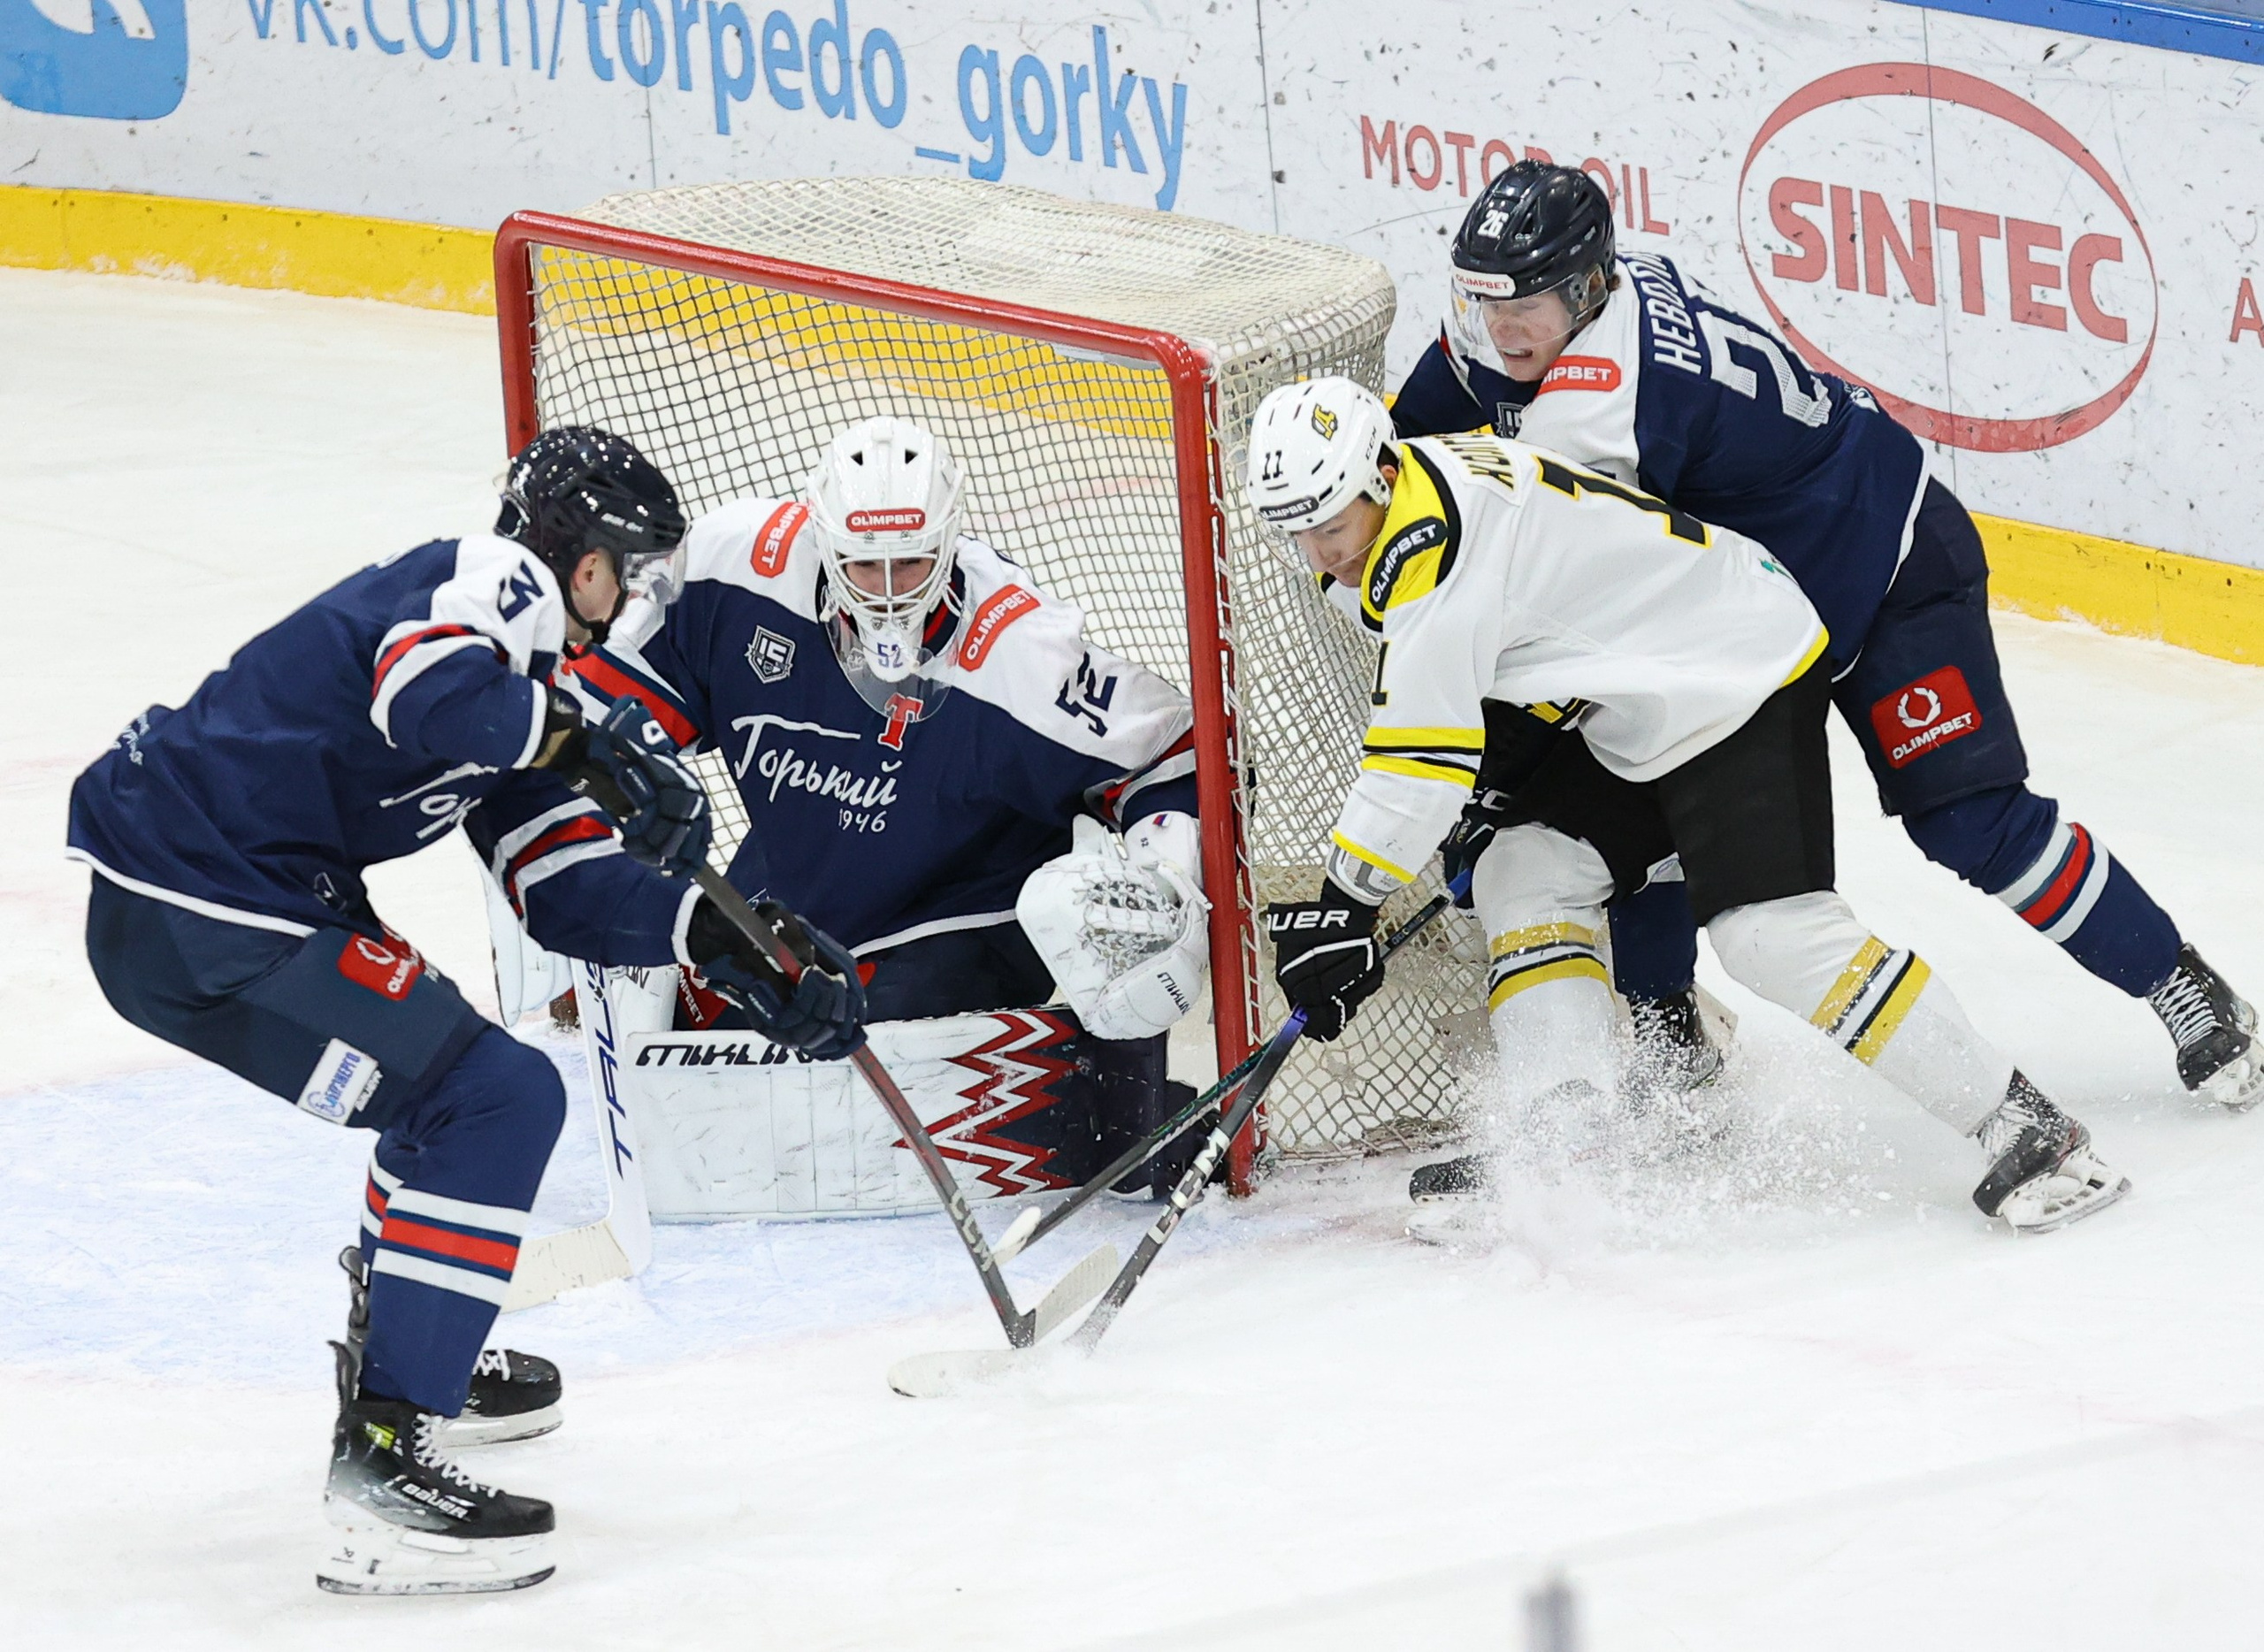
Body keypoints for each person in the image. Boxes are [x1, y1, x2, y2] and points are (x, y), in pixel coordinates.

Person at [65, 428, 865, 1595]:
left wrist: (723, 945)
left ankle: (409, 1341)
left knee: (450, 1092)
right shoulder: (493, 583)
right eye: (628, 569)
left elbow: (565, 892)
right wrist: (589, 747)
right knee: (496, 1096)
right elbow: (429, 693)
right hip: (198, 889)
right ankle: (385, 1459)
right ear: (574, 554)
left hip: (224, 902)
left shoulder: (533, 690)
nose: (633, 602)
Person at [1389, 161, 2260, 1115]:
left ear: (1588, 287)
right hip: (1750, 620)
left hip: (1881, 571)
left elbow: (1552, 588)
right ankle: (1669, 1029)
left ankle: (2178, 982)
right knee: (1648, 773)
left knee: (1969, 819)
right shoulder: (1538, 331)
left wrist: (1489, 753)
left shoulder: (1605, 408)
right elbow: (1404, 477)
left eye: (1526, 310)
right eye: (1481, 303)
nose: (1500, 332)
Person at [1243, 377, 2130, 1236]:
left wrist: (1344, 903)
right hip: (1639, 691)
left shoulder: (1425, 545)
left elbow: (1418, 759)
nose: (1320, 551)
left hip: (1735, 671)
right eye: (1298, 533)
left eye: (1328, 525)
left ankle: (2026, 1128)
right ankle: (1564, 1142)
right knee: (1526, 867)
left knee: (1769, 935)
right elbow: (1536, 626)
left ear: (1380, 477)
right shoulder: (1412, 492)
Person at [551, 415, 1213, 1206]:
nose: (893, 588)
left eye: (914, 561)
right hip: (804, 882)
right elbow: (614, 707)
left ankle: (1119, 1109)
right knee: (671, 986)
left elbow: (1173, 753)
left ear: (952, 539)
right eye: (867, 565)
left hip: (957, 913)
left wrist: (1168, 881)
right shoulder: (737, 569)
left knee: (836, 1059)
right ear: (825, 542)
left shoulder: (1017, 654)